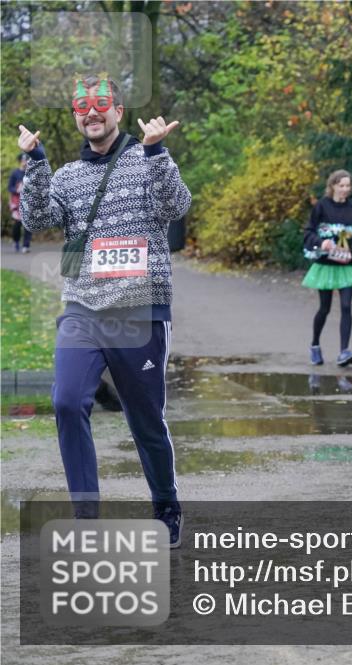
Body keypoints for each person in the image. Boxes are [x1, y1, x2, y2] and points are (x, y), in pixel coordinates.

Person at [17, 75, 190, 546]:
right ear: (76, 115)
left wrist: (157, 152)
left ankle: (166, 505)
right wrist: (36, 162)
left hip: (140, 311)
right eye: (81, 106)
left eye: (100, 104)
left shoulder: (147, 159)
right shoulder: (68, 176)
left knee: (145, 419)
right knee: (67, 401)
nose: (90, 112)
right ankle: (86, 517)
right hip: (83, 309)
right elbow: (35, 219)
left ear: (117, 110)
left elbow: (175, 206)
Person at [302, 169, 352, 367]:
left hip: (346, 264)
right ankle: (315, 345)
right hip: (326, 265)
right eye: (341, 185)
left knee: (346, 306)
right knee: (325, 308)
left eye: (348, 185)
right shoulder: (322, 206)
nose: (345, 189)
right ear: (332, 186)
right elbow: (308, 232)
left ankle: (344, 352)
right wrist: (321, 243)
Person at [7, 153, 30, 252]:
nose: (25, 162)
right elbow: (10, 187)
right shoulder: (15, 173)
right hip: (16, 202)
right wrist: (16, 190)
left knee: (28, 225)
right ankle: (16, 241)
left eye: (27, 160)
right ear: (20, 161)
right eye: (24, 160)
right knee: (17, 224)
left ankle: (26, 245)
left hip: (28, 202)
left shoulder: (30, 173)